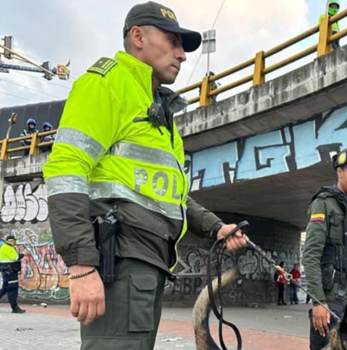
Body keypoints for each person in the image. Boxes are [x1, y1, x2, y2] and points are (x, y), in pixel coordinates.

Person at [42, 2, 247, 349]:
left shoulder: (157, 109)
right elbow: (66, 170)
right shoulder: (107, 84)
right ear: (138, 36)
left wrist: (215, 227)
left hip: (146, 262)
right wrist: (81, 265)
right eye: (174, 42)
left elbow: (171, 194)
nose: (182, 55)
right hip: (121, 259)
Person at [302, 147, 347, 350]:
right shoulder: (323, 203)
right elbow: (311, 254)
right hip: (330, 298)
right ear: (340, 171)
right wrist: (318, 301)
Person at [0, 235, 26, 313]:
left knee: (5, 289)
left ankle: (15, 307)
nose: (15, 242)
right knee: (13, 289)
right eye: (14, 240)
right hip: (10, 271)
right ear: (9, 241)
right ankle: (15, 308)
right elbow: (15, 257)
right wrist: (23, 254)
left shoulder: (8, 247)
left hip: (8, 271)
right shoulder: (6, 247)